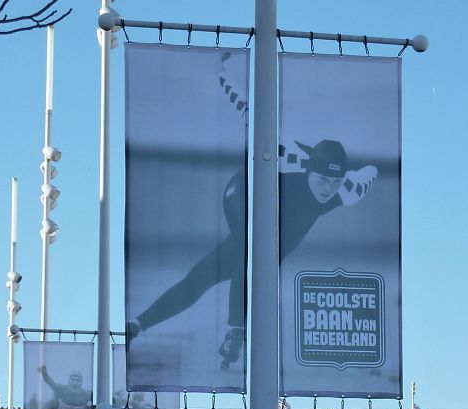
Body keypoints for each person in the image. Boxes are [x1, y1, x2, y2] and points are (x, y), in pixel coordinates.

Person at [127, 56, 378, 371]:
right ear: (309, 170)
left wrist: (350, 174)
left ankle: (138, 324)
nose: (328, 188)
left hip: (280, 225)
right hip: (241, 196)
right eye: (323, 179)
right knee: (250, 252)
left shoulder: (347, 189)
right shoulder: (287, 153)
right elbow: (244, 104)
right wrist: (220, 73)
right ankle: (236, 329)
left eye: (336, 181)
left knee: (208, 274)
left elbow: (372, 171)